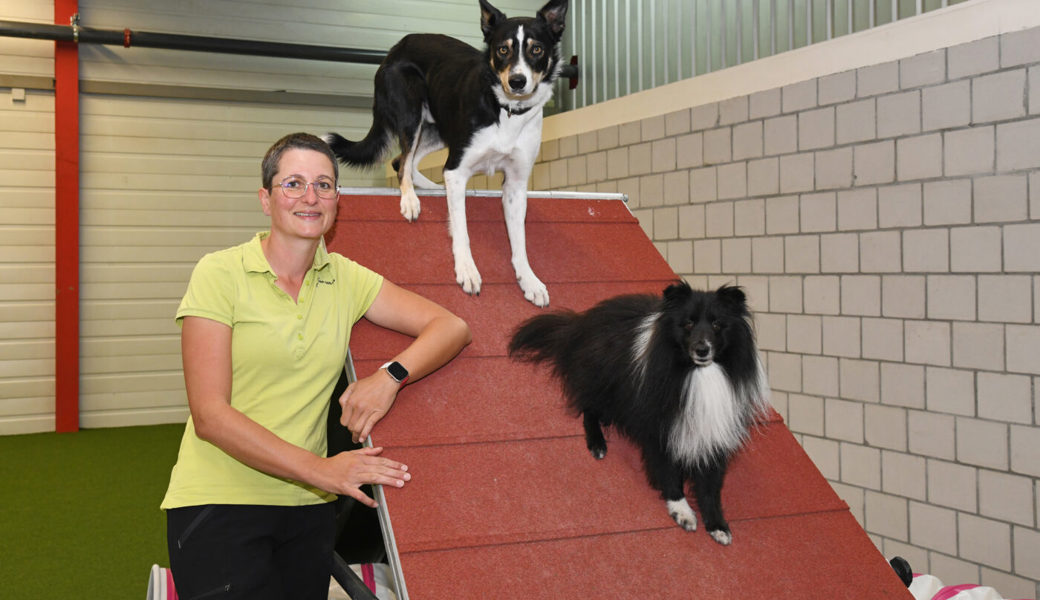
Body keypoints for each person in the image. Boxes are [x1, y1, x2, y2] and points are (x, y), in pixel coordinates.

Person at [160, 132, 471, 599]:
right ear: (266, 199)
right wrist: (323, 470)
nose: (310, 197)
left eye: (324, 185)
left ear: (337, 201)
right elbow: (210, 416)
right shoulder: (219, 273)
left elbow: (451, 327)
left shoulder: (345, 278)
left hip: (308, 511)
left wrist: (389, 377)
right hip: (220, 502)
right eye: (293, 184)